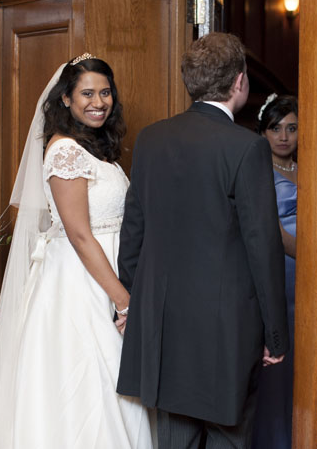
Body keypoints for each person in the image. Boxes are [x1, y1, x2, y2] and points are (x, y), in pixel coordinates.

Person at [0, 55, 152, 449]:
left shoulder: (95, 148)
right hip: (81, 282)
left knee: (116, 385)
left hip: (107, 269)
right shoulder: (64, 152)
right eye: (87, 93)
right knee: (90, 382)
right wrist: (124, 300)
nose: (99, 102)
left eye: (105, 92)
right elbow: (79, 235)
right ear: (65, 99)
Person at [117, 32, 290, 449]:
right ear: (239, 83)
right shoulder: (247, 149)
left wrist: (136, 308)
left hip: (165, 328)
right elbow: (262, 248)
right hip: (227, 334)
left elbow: (132, 236)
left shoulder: (151, 139)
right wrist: (275, 335)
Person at [252, 93, 298, 449]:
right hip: (281, 268)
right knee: (277, 363)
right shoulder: (258, 172)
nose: (284, 136)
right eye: (276, 128)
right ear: (263, 132)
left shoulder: (310, 165)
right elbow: (270, 231)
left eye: (292, 128)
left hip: (309, 276)